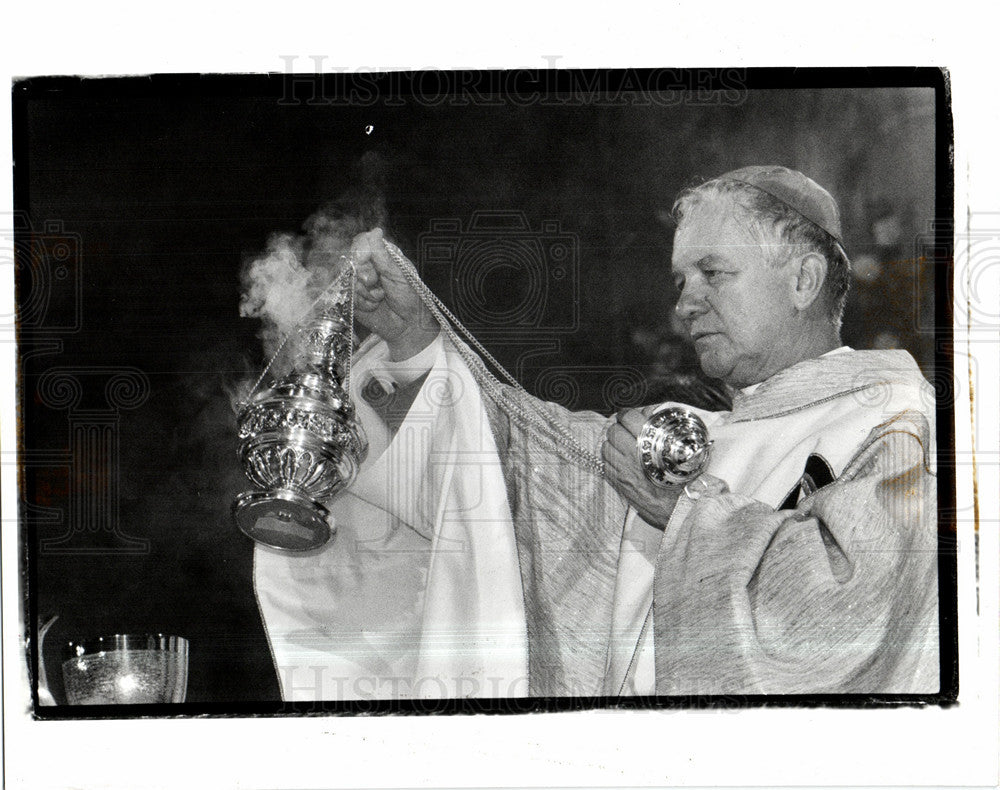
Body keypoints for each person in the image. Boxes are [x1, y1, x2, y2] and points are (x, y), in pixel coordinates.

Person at [254, 166, 939, 699]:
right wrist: (415, 341)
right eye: (679, 281)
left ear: (804, 279)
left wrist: (686, 511)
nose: (685, 302)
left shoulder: (894, 422)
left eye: (712, 273)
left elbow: (859, 614)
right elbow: (519, 473)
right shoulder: (701, 432)